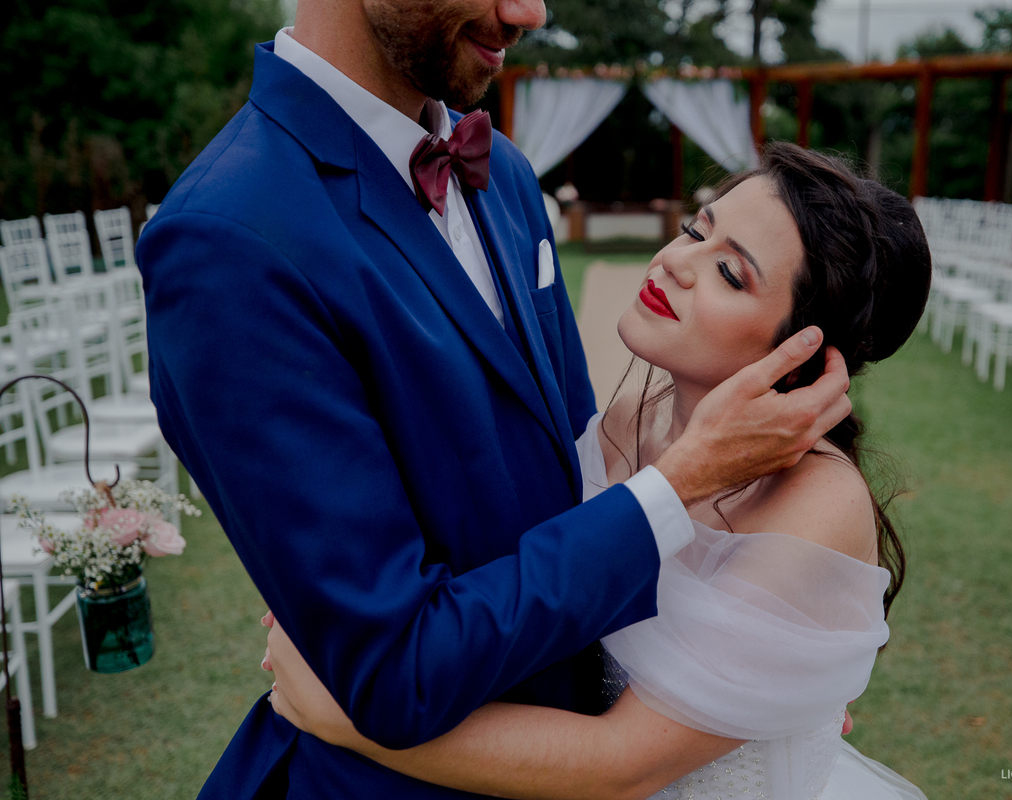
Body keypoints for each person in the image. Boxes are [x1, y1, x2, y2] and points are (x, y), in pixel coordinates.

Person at [135, 1, 852, 797]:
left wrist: (770, 658)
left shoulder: (501, 172)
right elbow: (393, 671)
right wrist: (676, 491)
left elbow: (574, 486)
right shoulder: (229, 237)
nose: (529, 11)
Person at [264, 144, 932, 799]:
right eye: (697, 231)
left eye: (730, 272)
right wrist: (356, 601)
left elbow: (623, 766)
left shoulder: (817, 504)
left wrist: (350, 714)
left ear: (806, 350)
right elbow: (543, 564)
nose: (675, 262)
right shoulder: (630, 418)